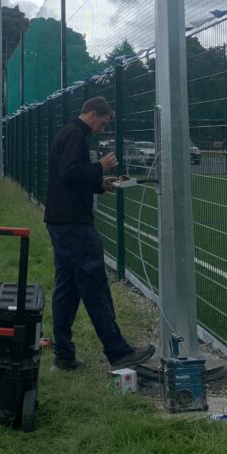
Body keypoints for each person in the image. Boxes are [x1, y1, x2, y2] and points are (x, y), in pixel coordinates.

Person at [44, 95, 155, 372]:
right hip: (75, 224)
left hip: (60, 221)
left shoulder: (66, 133)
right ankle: (118, 352)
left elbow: (70, 178)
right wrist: (100, 168)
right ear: (92, 114)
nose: (101, 129)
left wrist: (99, 183)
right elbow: (70, 173)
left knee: (67, 289)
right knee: (94, 284)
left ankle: (64, 355)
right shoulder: (75, 135)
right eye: (102, 124)